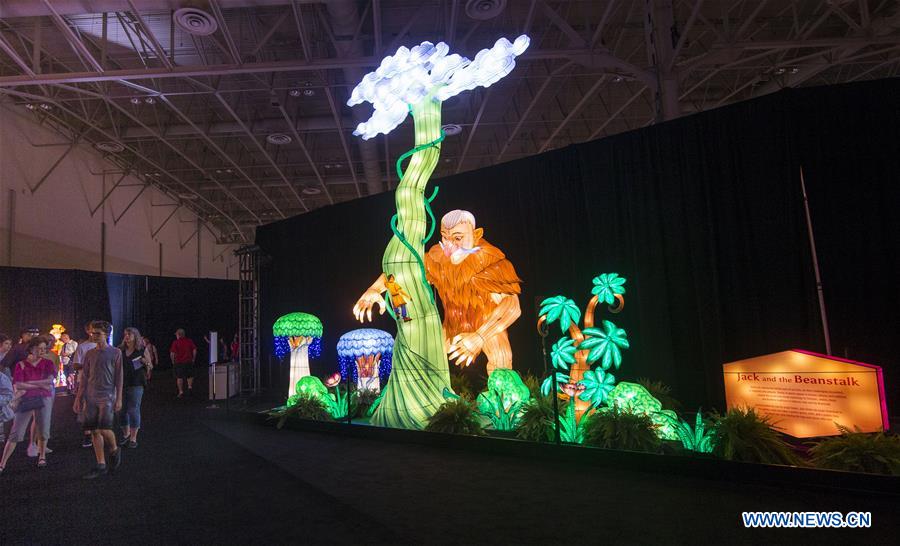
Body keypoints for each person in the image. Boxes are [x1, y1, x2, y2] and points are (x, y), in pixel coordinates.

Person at [74, 320, 124, 479]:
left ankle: (115, 449)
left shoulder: (116, 352)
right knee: (94, 430)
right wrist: (79, 397)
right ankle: (101, 464)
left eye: (97, 333)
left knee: (104, 428)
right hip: (91, 395)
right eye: (92, 333)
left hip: (107, 395)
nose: (93, 335)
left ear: (106, 335)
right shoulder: (89, 353)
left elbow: (119, 377)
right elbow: (85, 377)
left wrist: (119, 398)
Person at [0, 337, 56, 473]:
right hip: (26, 399)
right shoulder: (21, 364)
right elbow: (18, 384)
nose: (42, 351)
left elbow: (49, 383)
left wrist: (29, 383)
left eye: (44, 348)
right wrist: (40, 384)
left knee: (43, 427)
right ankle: (3, 462)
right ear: (31, 349)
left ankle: (42, 455)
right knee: (16, 431)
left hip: (43, 398)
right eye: (39, 348)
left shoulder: (48, 363)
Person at [118, 328, 151, 448]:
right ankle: (126, 434)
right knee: (121, 411)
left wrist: (145, 362)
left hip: (136, 383)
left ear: (135, 335)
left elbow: (150, 365)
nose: (126, 336)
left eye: (129, 334)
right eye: (125, 334)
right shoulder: (120, 350)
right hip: (121, 383)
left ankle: (133, 438)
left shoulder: (141, 349)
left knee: (133, 409)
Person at [72, 322, 97, 448]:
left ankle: (96, 433)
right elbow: (75, 364)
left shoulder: (105, 346)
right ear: (88, 331)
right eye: (93, 330)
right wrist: (88, 365)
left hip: (100, 382)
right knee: (86, 408)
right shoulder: (83, 347)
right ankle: (87, 434)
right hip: (85, 381)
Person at [170, 329, 196, 398]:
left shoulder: (175, 342)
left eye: (176, 335)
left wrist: (173, 361)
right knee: (190, 375)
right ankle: (190, 387)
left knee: (179, 377)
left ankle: (181, 392)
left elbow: (172, 353)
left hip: (179, 362)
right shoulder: (189, 341)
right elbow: (194, 350)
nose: (176, 336)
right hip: (188, 361)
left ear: (179, 335)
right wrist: (193, 358)